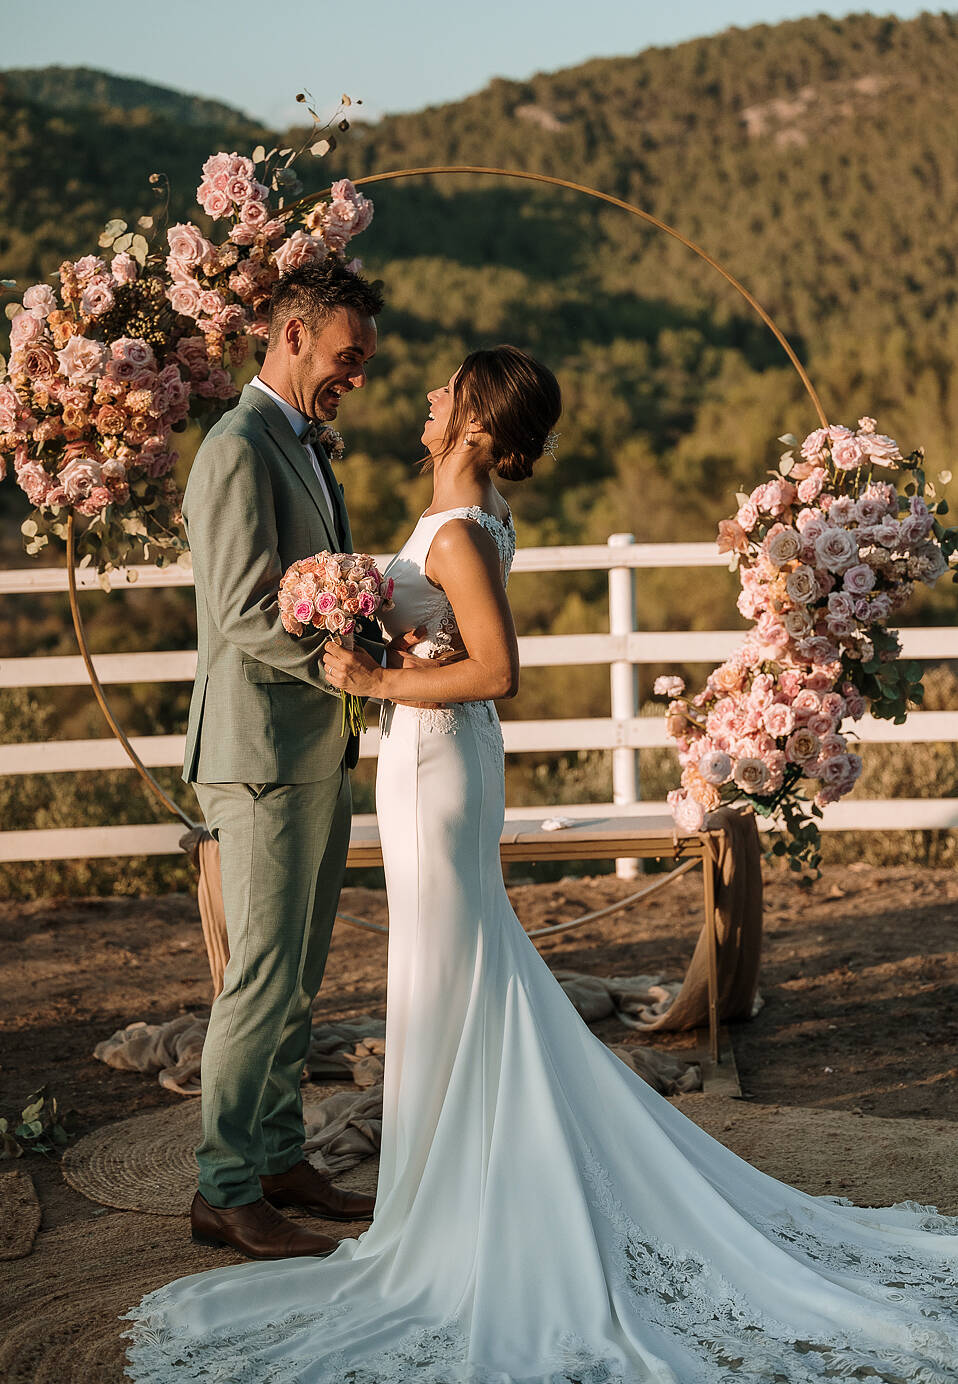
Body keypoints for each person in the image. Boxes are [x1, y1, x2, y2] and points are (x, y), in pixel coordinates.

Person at [127, 345, 958, 1381]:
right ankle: (467, 1179)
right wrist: (382, 657)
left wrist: (372, 681)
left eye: (446, 392)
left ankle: (478, 1201)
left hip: (437, 764)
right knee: (454, 971)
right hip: (430, 758)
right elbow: (455, 649)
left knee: (455, 972)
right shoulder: (459, 520)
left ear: (476, 426)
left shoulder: (461, 531)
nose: (428, 399)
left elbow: (498, 669)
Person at [179, 257, 419, 1262]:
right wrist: (349, 669)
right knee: (261, 977)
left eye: (361, 362)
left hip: (313, 745)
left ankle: (279, 1158)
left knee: (299, 974)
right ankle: (224, 1188)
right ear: (290, 336)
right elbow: (240, 613)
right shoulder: (237, 449)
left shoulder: (303, 443)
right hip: (261, 750)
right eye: (344, 358)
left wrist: (369, 641)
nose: (353, 378)